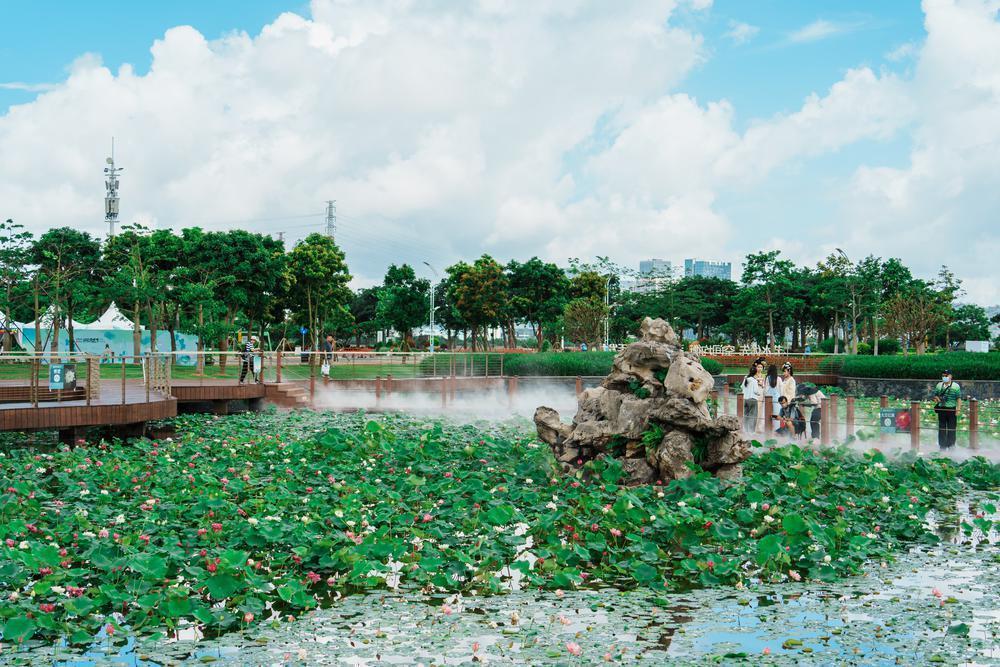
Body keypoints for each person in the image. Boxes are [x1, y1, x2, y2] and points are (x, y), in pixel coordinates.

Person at [932, 369, 961, 450]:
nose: (944, 377)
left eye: (946, 375)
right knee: (942, 428)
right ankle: (942, 446)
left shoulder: (956, 386)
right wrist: (938, 399)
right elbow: (935, 396)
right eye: (943, 375)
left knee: (952, 428)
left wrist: (958, 409)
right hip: (941, 409)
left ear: (950, 376)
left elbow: (958, 399)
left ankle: (951, 445)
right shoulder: (939, 385)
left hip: (951, 410)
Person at [741, 363, 761, 433]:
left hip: (745, 399)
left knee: (746, 415)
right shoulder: (754, 380)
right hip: (753, 399)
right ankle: (751, 431)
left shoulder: (746, 379)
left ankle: (746, 430)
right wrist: (759, 393)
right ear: (755, 372)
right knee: (753, 416)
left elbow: (741, 387)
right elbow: (755, 391)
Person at [764, 364, 782, 431]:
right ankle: (776, 430)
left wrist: (764, 397)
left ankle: (767, 429)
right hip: (777, 398)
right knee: (776, 414)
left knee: (768, 413)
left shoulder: (767, 378)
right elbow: (781, 390)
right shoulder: (779, 378)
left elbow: (765, 389)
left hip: (768, 397)